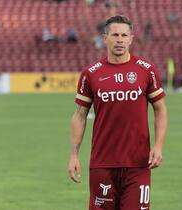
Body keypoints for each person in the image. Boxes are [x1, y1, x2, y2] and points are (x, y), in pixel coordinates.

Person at [68, 15, 167, 210]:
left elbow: (160, 109)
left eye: (124, 35)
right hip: (102, 163)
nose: (120, 39)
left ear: (131, 39)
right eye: (115, 35)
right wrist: (74, 155)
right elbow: (80, 115)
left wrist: (158, 145)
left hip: (138, 164)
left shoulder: (146, 70)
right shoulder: (91, 73)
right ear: (105, 39)